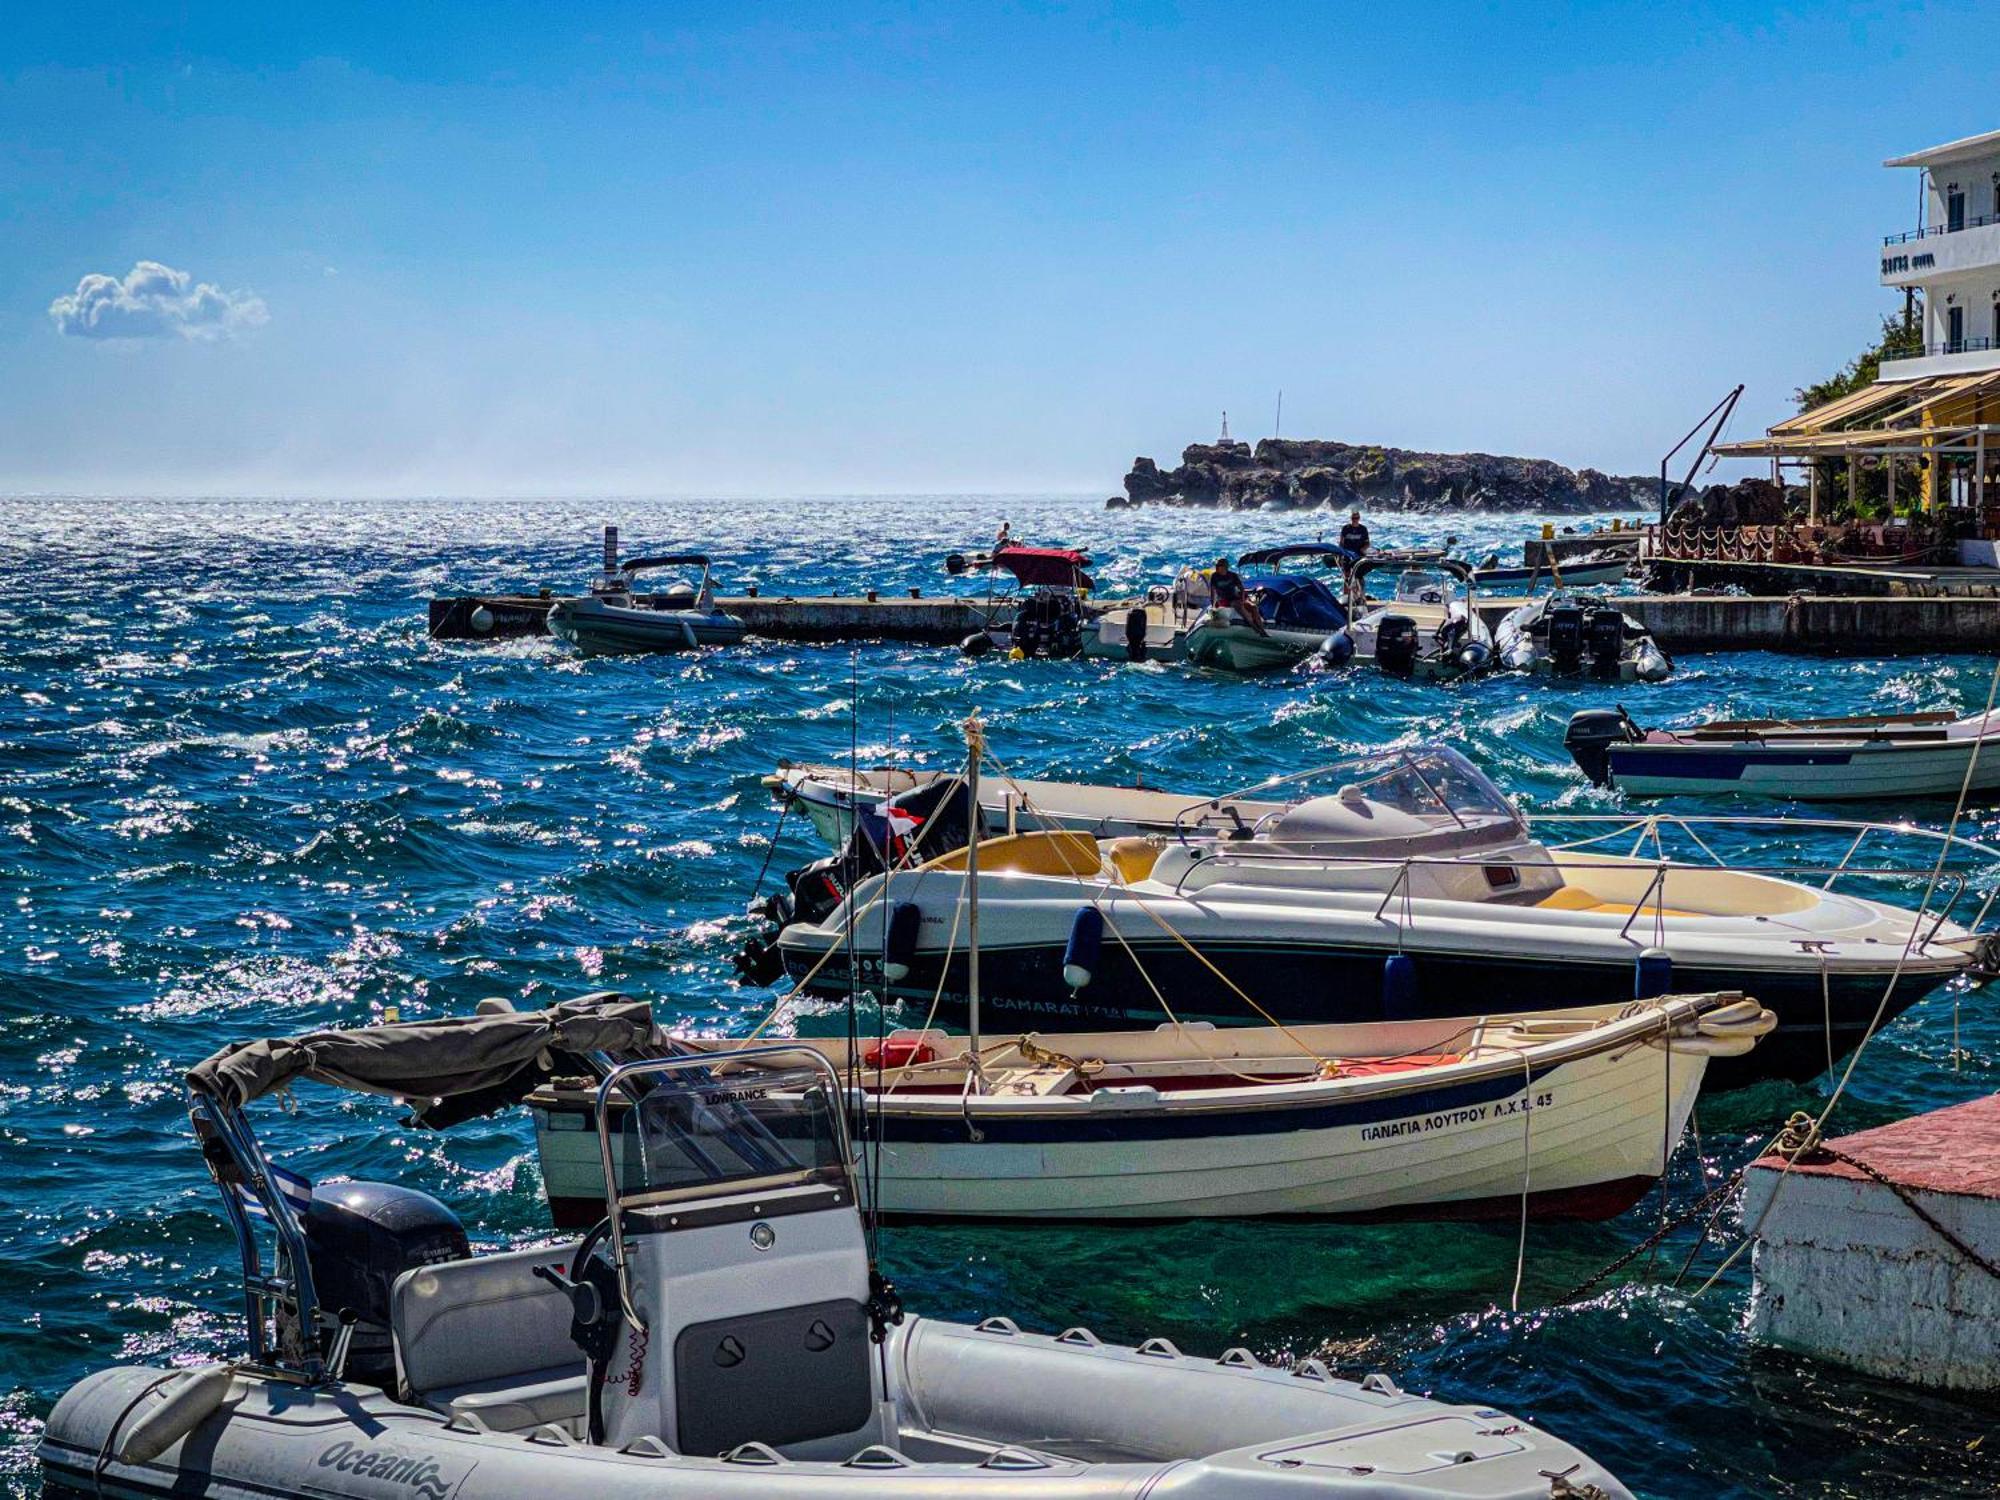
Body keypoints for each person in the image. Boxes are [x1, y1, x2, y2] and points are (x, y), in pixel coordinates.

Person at [1208, 556, 1267, 636]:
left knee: (1253, 607)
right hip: (1224, 600)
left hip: (1236, 597)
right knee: (1238, 605)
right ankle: (1255, 628)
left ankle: (1262, 629)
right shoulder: (1214, 576)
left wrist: (1243, 599)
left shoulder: (1233, 575)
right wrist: (1213, 605)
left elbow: (1242, 589)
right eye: (1218, 566)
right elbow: (1212, 591)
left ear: (1226, 567)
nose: (1219, 568)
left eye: (1221, 566)